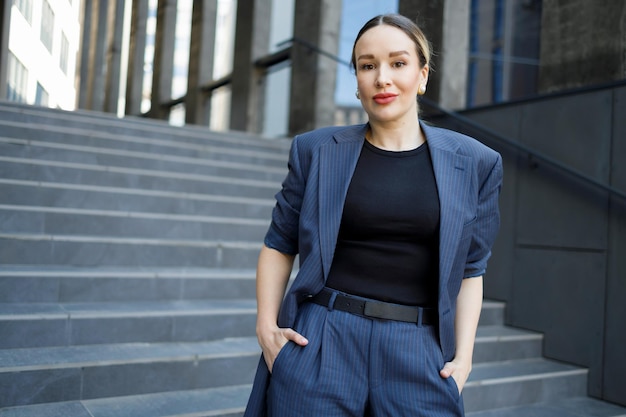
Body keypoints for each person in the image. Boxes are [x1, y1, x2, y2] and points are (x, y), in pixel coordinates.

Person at [244, 13, 502, 417]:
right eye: (368, 66)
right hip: (322, 339)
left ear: (422, 75)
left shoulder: (476, 162)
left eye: (398, 63)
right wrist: (265, 327)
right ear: (358, 79)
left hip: (419, 348)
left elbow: (471, 269)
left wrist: (463, 357)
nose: (382, 78)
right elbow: (279, 243)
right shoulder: (315, 151)